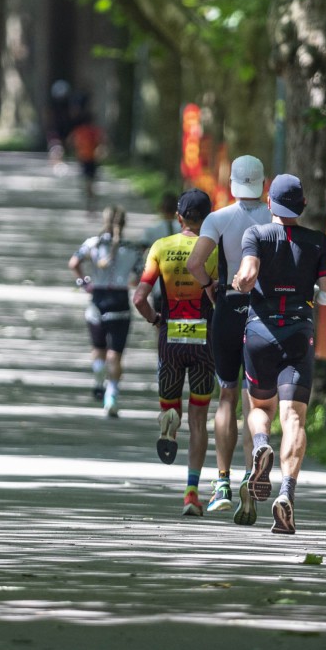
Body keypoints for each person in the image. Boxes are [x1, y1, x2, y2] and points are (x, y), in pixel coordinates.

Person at [231, 174, 326, 533]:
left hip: (260, 330)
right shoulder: (319, 242)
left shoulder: (256, 235)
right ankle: (286, 493)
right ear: (302, 206)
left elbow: (247, 275)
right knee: (294, 419)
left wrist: (238, 283)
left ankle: (261, 445)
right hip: (298, 332)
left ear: (270, 204)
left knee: (260, 408)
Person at [186, 154, 272, 516]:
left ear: (233, 183)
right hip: (264, 314)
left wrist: (209, 284)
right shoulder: (276, 219)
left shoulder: (218, 218)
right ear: (263, 183)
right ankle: (252, 477)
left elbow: (194, 263)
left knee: (227, 396)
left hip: (227, 308)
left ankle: (221, 480)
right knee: (256, 402)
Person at [132, 189, 217, 516]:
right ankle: (192, 492)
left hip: (170, 341)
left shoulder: (161, 247)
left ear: (179, 217)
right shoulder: (213, 250)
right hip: (203, 341)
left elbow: (140, 298)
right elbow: (218, 297)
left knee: (172, 404)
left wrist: (156, 320)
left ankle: (168, 420)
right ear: (208, 218)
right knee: (199, 420)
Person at [69, 206, 138, 416]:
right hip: (120, 302)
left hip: (97, 300)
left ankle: (99, 377)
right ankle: (111, 396)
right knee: (115, 355)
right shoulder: (133, 249)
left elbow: (73, 263)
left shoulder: (93, 243)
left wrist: (84, 283)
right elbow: (140, 276)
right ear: (124, 224)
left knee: (98, 348)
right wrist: (129, 283)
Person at [68, 112, 103, 212]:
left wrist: (76, 150)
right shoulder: (95, 131)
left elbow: (69, 141)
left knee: (87, 181)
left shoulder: (78, 131)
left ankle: (90, 199)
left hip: (83, 159)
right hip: (93, 159)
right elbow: (102, 142)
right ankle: (91, 198)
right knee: (91, 181)